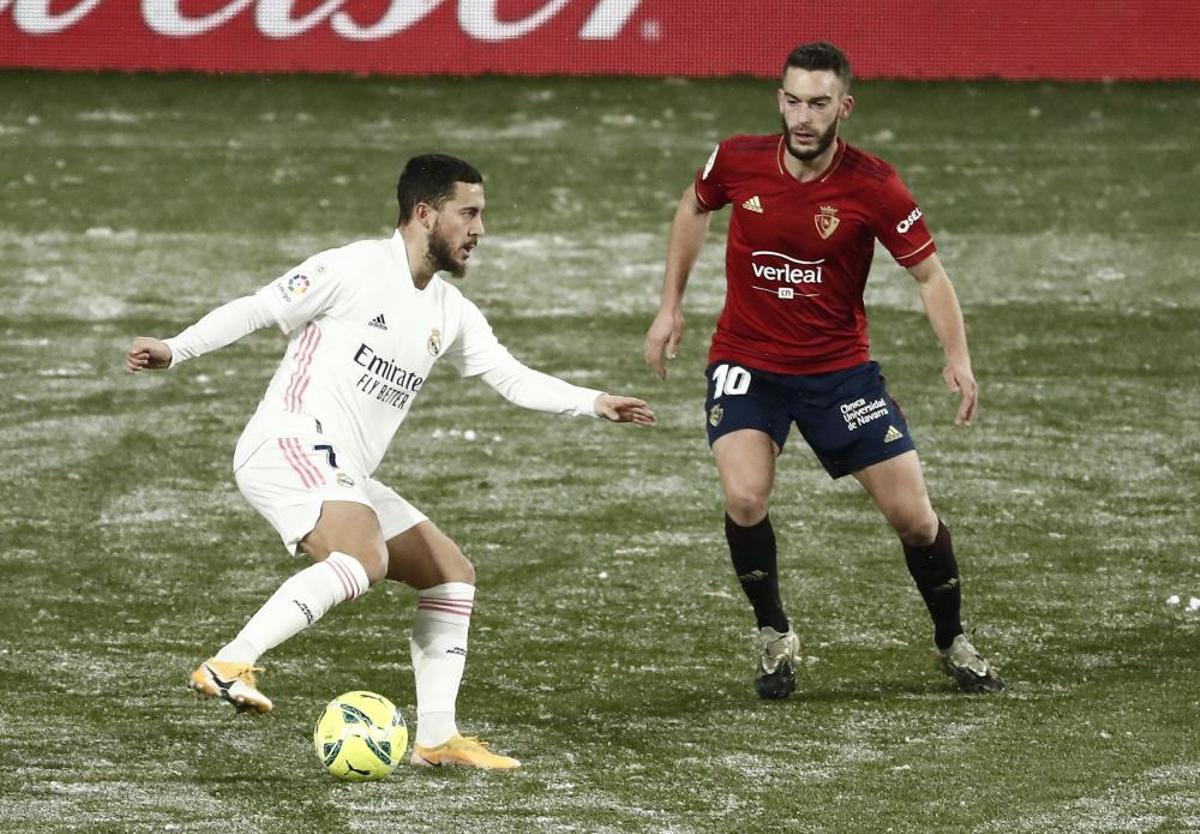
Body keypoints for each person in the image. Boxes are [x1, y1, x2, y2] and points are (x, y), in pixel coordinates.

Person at [127, 154, 656, 769]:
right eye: (469, 213)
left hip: (343, 466)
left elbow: (509, 377)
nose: (479, 230)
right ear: (424, 213)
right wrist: (175, 349)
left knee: (450, 574)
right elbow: (259, 307)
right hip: (289, 441)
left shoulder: (449, 311)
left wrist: (594, 403)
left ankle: (436, 739)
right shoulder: (351, 267)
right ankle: (228, 663)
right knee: (364, 555)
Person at [642, 42, 1004, 699]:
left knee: (916, 521)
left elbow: (928, 273)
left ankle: (952, 640)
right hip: (746, 360)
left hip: (839, 373)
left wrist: (958, 358)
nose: (804, 116)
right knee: (745, 497)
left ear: (844, 107)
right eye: (793, 100)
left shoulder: (874, 185)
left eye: (819, 103)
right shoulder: (737, 159)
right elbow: (694, 207)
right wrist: (670, 308)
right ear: (779, 99)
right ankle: (774, 633)